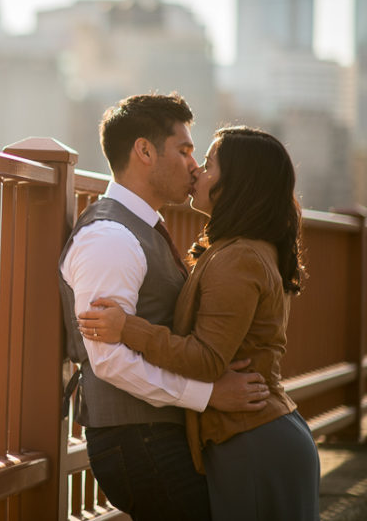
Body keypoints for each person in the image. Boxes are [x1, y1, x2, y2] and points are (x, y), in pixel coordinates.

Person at [78, 126, 320, 520]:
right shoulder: (236, 248)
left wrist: (127, 327)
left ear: (238, 183)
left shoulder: (238, 257)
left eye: (207, 164)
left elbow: (207, 358)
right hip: (249, 435)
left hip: (253, 440)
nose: (196, 172)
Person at [59, 94, 270, 521]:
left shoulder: (141, 226)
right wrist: (208, 395)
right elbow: (108, 361)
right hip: (138, 441)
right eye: (185, 149)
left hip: (153, 436)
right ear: (144, 151)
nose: (194, 165)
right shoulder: (111, 238)